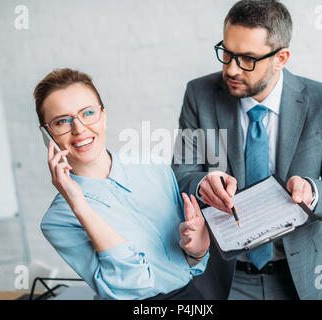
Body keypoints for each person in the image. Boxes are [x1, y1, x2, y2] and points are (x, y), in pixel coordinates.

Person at [172, 0, 322, 300]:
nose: (231, 68)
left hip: (302, 277)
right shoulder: (200, 94)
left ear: (281, 58)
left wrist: (312, 193)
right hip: (224, 278)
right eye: (227, 53)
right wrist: (202, 185)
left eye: (247, 58)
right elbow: (181, 176)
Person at [34, 68, 210, 300]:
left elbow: (190, 264)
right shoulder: (59, 220)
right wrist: (80, 205)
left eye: (87, 113)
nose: (79, 129)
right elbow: (131, 286)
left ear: (103, 115)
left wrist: (197, 251)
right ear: (47, 135)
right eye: (62, 121)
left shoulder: (153, 166)